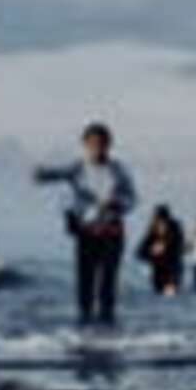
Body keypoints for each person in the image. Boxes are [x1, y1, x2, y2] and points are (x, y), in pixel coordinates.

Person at [33, 122, 137, 326]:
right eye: (93, 143)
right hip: (86, 231)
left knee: (108, 281)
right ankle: (84, 326)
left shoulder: (118, 170)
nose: (98, 147)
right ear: (85, 144)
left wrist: (117, 203)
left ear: (109, 145)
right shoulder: (77, 167)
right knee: (85, 283)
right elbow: (53, 175)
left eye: (102, 143)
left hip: (112, 230)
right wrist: (39, 174)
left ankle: (108, 326)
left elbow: (132, 198)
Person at [137, 205, 186, 296]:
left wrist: (164, 249)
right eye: (158, 220)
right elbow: (142, 250)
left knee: (170, 294)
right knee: (158, 292)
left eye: (162, 220)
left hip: (172, 269)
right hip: (158, 270)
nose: (161, 223)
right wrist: (151, 253)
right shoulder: (153, 230)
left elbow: (178, 247)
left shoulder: (174, 229)